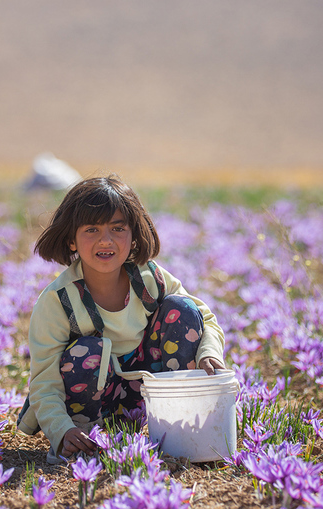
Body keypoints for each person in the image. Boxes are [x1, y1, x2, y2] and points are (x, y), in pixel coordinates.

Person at [17, 175, 226, 463]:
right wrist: (61, 430)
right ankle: (82, 443)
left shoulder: (149, 278)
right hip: (90, 407)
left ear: (134, 235)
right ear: (71, 240)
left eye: (118, 228)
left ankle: (180, 430)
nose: (106, 240)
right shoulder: (57, 301)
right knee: (86, 352)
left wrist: (208, 353)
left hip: (146, 397)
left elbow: (204, 317)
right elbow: (44, 382)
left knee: (183, 310)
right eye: (91, 229)